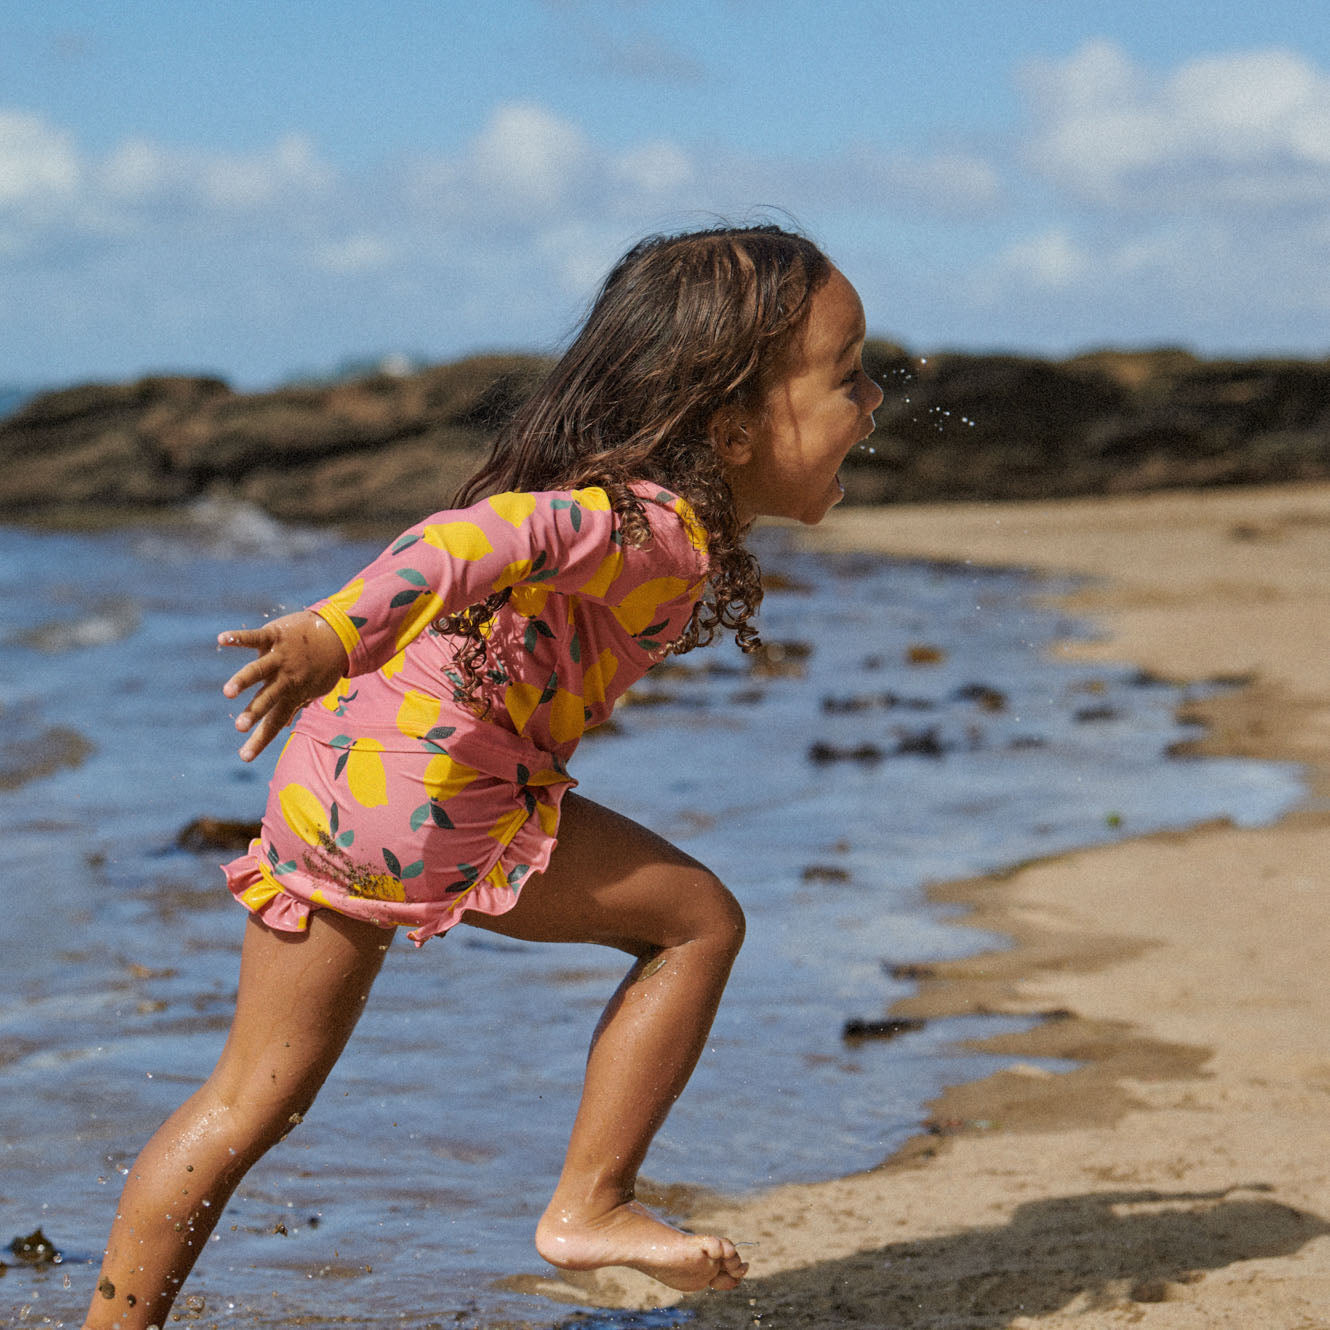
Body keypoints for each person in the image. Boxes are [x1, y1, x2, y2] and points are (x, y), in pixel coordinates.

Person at [83, 224, 884, 1329]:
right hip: (437, 787)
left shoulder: (620, 497)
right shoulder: (650, 523)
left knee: (243, 1098)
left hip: (334, 775)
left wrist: (337, 650)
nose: (875, 400)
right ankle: (589, 1204)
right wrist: (331, 624)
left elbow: (493, 544)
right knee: (696, 922)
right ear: (733, 425)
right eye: (847, 378)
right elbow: (481, 536)